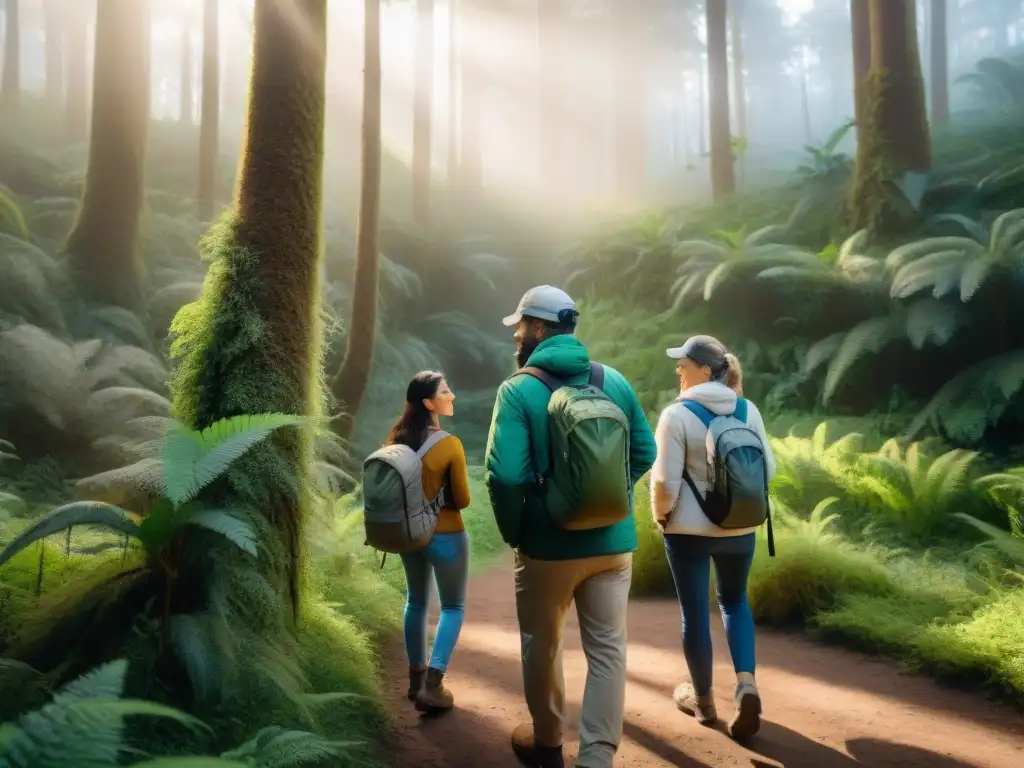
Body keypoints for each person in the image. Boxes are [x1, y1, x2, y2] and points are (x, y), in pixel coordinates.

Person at [484, 285, 657, 768]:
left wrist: (516, 530)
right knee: (607, 650)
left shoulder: (518, 389)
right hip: (613, 545)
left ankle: (547, 741)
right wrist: (607, 499)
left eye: (520, 325)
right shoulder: (613, 381)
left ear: (539, 329)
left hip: (547, 549)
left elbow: (507, 475)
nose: (517, 334)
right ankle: (597, 758)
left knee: (544, 643)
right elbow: (645, 452)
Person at [649, 335, 776, 741]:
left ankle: (703, 702)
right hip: (742, 528)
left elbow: (664, 481)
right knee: (736, 602)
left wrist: (661, 516)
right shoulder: (747, 408)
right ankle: (747, 685)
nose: (678, 370)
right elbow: (768, 471)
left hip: (688, 532)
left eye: (683, 364)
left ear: (705, 370)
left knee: (695, 613)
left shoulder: (676, 414)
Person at [386, 370, 472, 714]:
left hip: (409, 535)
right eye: (446, 391)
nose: (452, 396)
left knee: (416, 602)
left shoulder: (396, 441)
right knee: (452, 608)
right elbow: (463, 499)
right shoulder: (449, 444)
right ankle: (433, 686)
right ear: (428, 402)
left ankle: (414, 681)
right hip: (447, 534)